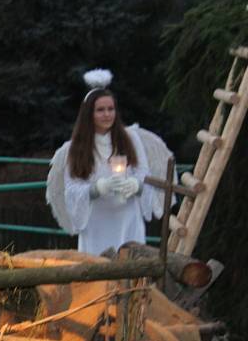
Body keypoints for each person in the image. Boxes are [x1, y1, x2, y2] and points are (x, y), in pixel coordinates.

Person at [46, 69, 169, 256]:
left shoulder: (130, 139)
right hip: (97, 222)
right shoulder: (76, 148)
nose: (107, 114)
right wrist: (97, 188)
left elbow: (143, 173)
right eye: (100, 110)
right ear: (89, 114)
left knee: (130, 269)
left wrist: (136, 184)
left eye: (110, 109)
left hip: (128, 218)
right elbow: (71, 188)